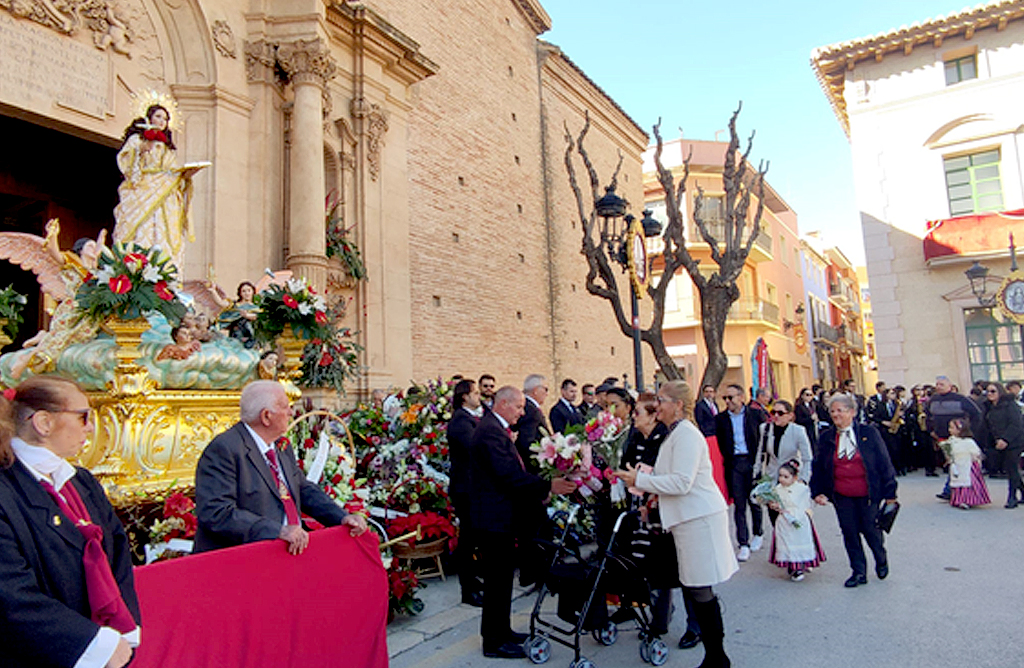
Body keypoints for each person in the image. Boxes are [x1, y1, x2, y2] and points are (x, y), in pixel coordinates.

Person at [0, 376, 140, 668]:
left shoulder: (82, 481)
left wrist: (123, 630)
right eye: (83, 416)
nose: (89, 426)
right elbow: (10, 594)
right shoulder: (7, 488)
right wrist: (90, 642)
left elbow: (118, 555)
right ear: (44, 423)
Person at [614, 380, 738, 668]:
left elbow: (682, 482)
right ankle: (715, 656)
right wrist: (652, 506)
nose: (657, 405)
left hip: (699, 521)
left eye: (662, 399)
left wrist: (640, 481)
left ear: (678, 404)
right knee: (696, 588)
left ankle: (717, 657)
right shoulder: (676, 433)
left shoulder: (687, 435)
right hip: (687, 520)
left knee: (700, 590)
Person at [193, 380, 367, 554]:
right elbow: (217, 513)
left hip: (287, 551)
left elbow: (301, 488)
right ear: (266, 416)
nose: (291, 412)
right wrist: (276, 531)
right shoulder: (225, 449)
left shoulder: (280, 445)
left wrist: (341, 517)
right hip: (246, 557)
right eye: (285, 407)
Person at [468, 386, 576, 659]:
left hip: (501, 517)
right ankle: (493, 641)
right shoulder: (490, 431)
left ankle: (502, 630)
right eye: (517, 407)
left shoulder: (494, 427)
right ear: (503, 404)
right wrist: (548, 485)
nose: (522, 412)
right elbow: (508, 476)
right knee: (497, 581)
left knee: (503, 580)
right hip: (494, 519)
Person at [811, 393, 897, 588]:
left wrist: (890, 493)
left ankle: (880, 557)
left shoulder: (869, 433)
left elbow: (884, 463)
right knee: (849, 532)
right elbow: (819, 466)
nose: (835, 415)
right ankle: (858, 572)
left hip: (868, 493)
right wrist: (817, 491)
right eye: (832, 411)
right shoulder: (826, 437)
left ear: (851, 412)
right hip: (842, 495)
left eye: (840, 410)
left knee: (870, 530)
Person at [113, 103, 204, 270]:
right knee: (141, 231)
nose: (162, 121)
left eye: (166, 118)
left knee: (164, 235)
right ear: (148, 118)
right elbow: (127, 166)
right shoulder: (137, 140)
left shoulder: (168, 149)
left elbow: (172, 175)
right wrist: (141, 150)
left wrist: (185, 177)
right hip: (141, 194)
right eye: (158, 116)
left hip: (165, 199)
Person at [715, 383, 767, 561]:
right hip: (734, 463)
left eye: (731, 397)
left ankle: (758, 533)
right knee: (739, 504)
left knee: (754, 500)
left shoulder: (755, 415)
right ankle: (742, 543)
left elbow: (764, 437)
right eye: (725, 398)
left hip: (753, 461)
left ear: (741, 397)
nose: (728, 401)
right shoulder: (721, 419)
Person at [447, 379, 484, 606]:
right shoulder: (461, 421)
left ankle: (473, 579)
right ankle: (467, 588)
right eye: (476, 392)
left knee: (473, 537)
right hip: (465, 488)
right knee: (468, 539)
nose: (479, 396)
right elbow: (476, 447)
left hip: (470, 487)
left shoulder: (468, 419)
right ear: (464, 397)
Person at [767, 461, 825, 581]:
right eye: (780, 476)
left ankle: (801, 565)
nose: (782, 479)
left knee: (800, 540)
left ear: (794, 478)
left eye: (786, 476)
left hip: (799, 518)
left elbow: (806, 504)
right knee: (786, 542)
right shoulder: (777, 489)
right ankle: (791, 564)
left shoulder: (802, 489)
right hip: (784, 520)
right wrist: (774, 505)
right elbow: (774, 502)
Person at [926, 376, 982, 500]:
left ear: (950, 386)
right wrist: (931, 431)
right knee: (952, 463)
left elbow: (976, 414)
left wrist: (968, 431)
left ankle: (950, 490)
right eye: (937, 384)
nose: (938, 387)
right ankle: (951, 489)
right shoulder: (933, 400)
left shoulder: (961, 399)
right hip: (941, 437)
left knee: (957, 463)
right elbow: (928, 416)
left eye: (942, 384)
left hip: (958, 437)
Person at [752, 400, 813, 488]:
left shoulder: (798, 431)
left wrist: (804, 479)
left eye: (780, 413)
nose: (776, 416)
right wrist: (756, 474)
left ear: (790, 415)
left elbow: (807, 458)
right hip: (770, 478)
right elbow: (760, 453)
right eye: (773, 412)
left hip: (790, 479)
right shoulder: (765, 428)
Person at [983, 382, 1024, 509]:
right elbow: (987, 426)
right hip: (998, 441)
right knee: (1009, 468)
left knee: (1012, 468)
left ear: (1000, 392)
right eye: (987, 391)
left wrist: (1006, 439)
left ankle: (1012, 497)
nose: (989, 394)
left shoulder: (1010, 406)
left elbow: (1016, 424)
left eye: (993, 391)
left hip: (1015, 441)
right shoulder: (989, 407)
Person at [942, 418, 990, 510]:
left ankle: (967, 500)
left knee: (967, 483)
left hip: (968, 465)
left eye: (952, 428)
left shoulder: (968, 442)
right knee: (958, 482)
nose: (949, 430)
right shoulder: (951, 440)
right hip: (957, 465)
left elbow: (976, 453)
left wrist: (975, 460)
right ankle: (958, 499)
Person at [515, 374, 550, 474]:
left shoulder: (527, 406)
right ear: (535, 390)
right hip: (532, 468)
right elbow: (527, 442)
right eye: (545, 389)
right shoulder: (530, 410)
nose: (547, 394)